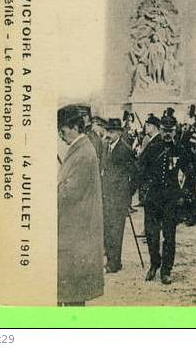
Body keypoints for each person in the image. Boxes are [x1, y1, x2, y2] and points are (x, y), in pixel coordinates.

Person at [57, 105, 104, 306]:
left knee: (74, 294)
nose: (61, 134)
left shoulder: (84, 152)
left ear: (75, 127)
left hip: (78, 229)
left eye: (63, 130)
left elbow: (70, 193)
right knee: (71, 291)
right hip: (75, 227)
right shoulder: (79, 149)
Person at [137, 114, 187, 284]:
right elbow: (141, 168)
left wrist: (184, 193)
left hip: (171, 199)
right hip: (153, 198)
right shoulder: (152, 147)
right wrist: (143, 188)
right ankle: (154, 264)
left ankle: (166, 270)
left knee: (169, 236)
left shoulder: (180, 149)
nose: (167, 134)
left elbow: (190, 171)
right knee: (151, 234)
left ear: (175, 131)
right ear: (161, 130)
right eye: (165, 130)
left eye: (171, 131)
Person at [101, 118, 137, 273]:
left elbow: (135, 174)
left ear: (119, 133)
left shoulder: (125, 149)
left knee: (116, 231)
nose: (108, 134)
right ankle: (111, 260)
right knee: (108, 229)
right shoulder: (107, 147)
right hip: (107, 196)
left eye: (111, 132)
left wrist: (127, 193)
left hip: (119, 197)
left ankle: (114, 263)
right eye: (107, 131)